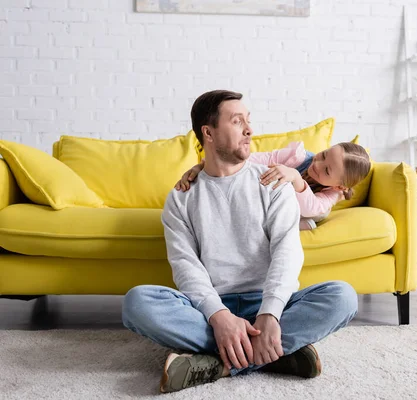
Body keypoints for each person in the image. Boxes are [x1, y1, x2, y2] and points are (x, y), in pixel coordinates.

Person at [121, 90, 358, 393]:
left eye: (248, 121)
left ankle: (217, 362)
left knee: (342, 297)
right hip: (209, 309)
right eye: (237, 122)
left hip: (269, 303)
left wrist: (270, 313)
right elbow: (185, 266)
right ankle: (273, 354)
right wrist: (219, 317)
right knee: (137, 304)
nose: (250, 130)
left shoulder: (273, 182)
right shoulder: (181, 198)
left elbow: (287, 253)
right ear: (208, 132)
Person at [175, 141, 371, 230]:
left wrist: (295, 178)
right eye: (324, 155)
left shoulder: (331, 194)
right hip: (269, 200)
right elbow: (258, 159)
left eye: (327, 170)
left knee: (320, 213)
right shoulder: (298, 157)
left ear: (339, 186)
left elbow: (311, 207)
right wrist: (205, 165)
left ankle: (291, 224)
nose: (317, 164)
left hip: (299, 211)